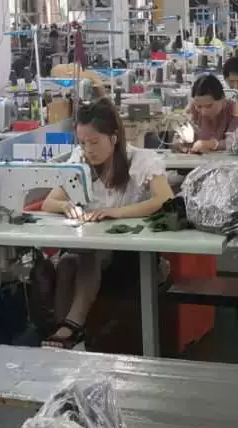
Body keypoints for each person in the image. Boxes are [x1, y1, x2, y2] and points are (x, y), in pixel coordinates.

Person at [40, 98, 172, 349]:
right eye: (82, 142)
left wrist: (117, 213)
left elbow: (165, 199)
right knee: (66, 263)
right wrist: (67, 206)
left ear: (114, 137)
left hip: (133, 255)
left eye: (94, 142)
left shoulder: (142, 161)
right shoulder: (80, 161)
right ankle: (64, 333)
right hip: (95, 250)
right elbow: (49, 202)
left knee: (89, 255)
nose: (88, 149)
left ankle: (71, 328)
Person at [175, 73, 238, 153]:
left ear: (222, 98)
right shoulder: (193, 108)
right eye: (199, 106)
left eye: (208, 106)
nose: (203, 112)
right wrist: (179, 142)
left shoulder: (234, 110)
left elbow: (235, 142)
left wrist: (211, 144)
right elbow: (180, 134)